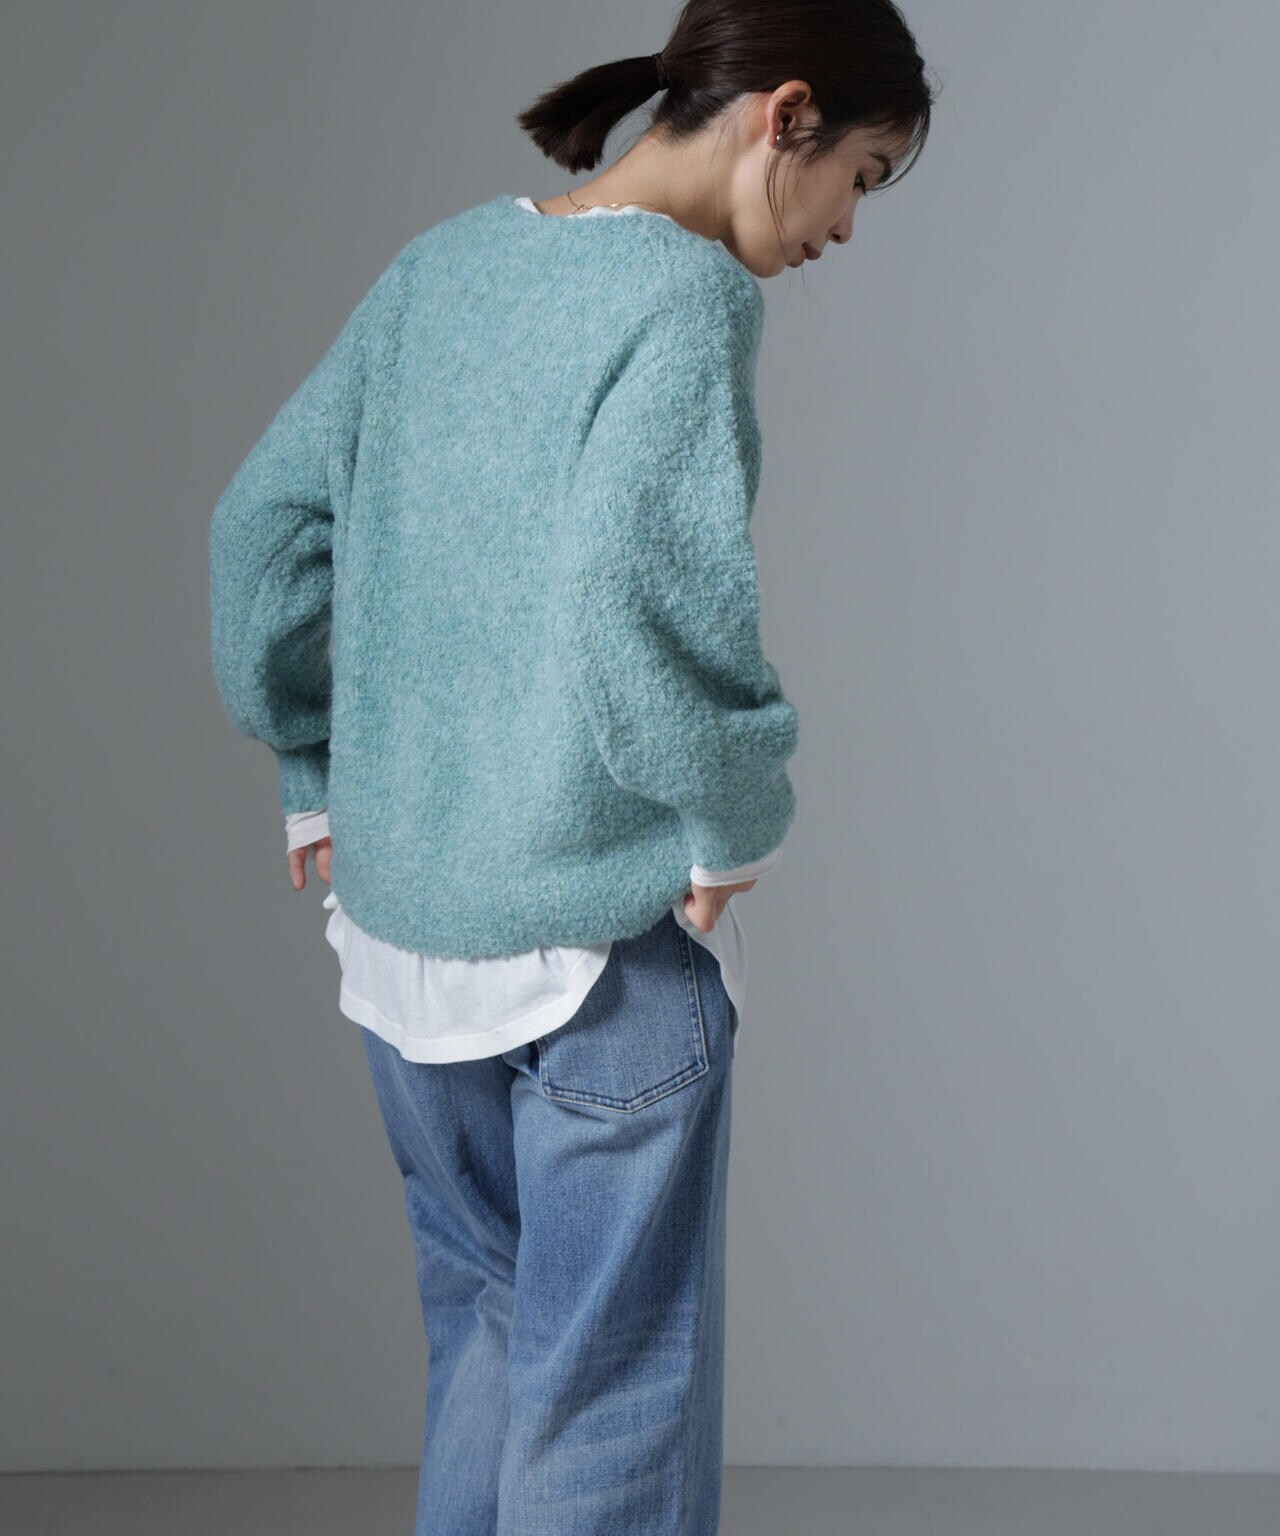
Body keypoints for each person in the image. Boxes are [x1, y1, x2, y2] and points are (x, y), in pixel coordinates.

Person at [208, 1, 934, 1529]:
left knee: (488, 1332)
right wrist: (734, 817)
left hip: (403, 938)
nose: (845, 230)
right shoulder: (686, 298)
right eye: (863, 176)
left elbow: (259, 536)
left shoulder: (438, 268)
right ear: (786, 115)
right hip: (598, 952)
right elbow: (639, 600)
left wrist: (314, 769)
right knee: (608, 1399)